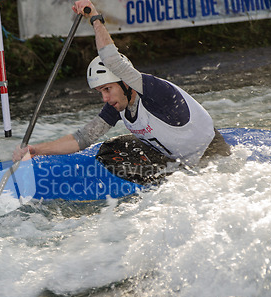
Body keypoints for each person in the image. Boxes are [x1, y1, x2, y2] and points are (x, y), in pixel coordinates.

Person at [13, 0, 230, 183]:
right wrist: (37, 150)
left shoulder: (152, 89)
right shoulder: (119, 104)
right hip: (174, 159)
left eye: (107, 89)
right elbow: (82, 138)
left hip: (212, 156)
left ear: (125, 83)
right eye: (101, 91)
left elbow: (112, 60)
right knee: (111, 151)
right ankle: (166, 182)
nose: (105, 98)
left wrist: (94, 18)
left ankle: (174, 185)